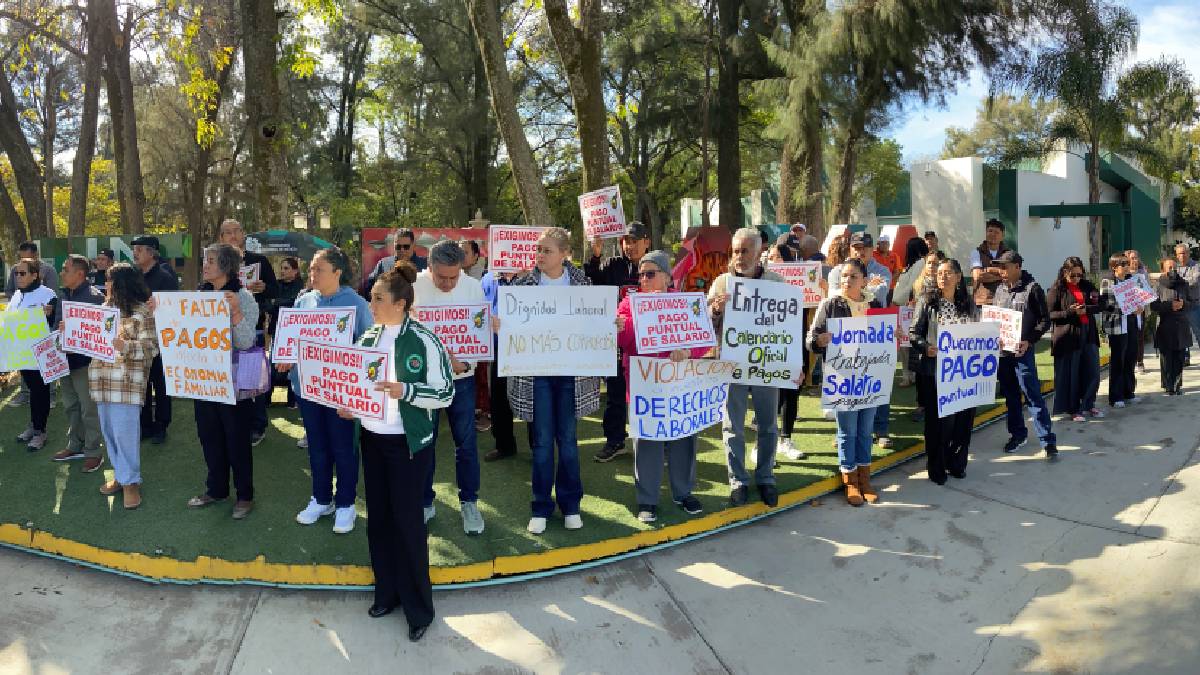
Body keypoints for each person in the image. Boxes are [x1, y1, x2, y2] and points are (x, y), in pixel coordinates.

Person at [352, 263, 452, 642]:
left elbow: (445, 392)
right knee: (378, 520)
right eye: (372, 297)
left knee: (408, 524)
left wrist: (405, 391)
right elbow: (358, 385)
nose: (371, 303)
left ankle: (418, 610)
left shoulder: (425, 340)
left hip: (408, 445)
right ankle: (387, 594)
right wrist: (350, 404)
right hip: (373, 440)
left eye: (378, 298)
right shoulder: (367, 338)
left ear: (401, 303)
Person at [502, 227, 601, 533]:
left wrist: (610, 323)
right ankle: (541, 506)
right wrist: (500, 323)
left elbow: (594, 324)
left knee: (569, 442)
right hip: (537, 375)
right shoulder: (522, 284)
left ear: (564, 254)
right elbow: (511, 324)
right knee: (542, 443)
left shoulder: (584, 284)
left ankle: (571, 505)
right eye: (538, 250)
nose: (540, 255)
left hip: (572, 374)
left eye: (546, 250)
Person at [616, 250, 712, 522]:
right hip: (645, 384)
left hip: (679, 382)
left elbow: (703, 339)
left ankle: (684, 493)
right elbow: (624, 340)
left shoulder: (686, 303)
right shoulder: (628, 304)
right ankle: (647, 500)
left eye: (650, 274)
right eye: (641, 275)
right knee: (647, 442)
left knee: (684, 438)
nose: (643, 279)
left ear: (667, 277)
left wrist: (688, 352)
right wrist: (624, 325)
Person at [285, 247, 373, 533]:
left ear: (337, 272)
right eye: (311, 269)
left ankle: (346, 503)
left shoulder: (357, 304)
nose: (312, 274)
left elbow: (370, 346)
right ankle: (321, 498)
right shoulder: (304, 301)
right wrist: (285, 357)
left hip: (341, 392)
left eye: (318, 269)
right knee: (318, 446)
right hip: (308, 389)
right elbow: (291, 339)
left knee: (344, 447)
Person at [412, 240, 486, 534]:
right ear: (428, 267)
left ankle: (469, 502)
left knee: (466, 444)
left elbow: (479, 341)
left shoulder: (473, 288)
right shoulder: (413, 286)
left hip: (462, 381)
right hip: (424, 382)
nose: (447, 283)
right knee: (424, 444)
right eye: (441, 277)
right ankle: (425, 502)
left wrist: (465, 366)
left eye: (453, 276)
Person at [708, 227, 785, 507]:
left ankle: (765, 477)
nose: (739, 257)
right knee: (733, 426)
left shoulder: (776, 282)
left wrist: (794, 363)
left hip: (766, 364)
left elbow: (786, 326)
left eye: (745, 251)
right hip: (732, 365)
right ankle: (737, 481)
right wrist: (715, 310)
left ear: (759, 251)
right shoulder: (721, 283)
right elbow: (705, 326)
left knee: (767, 425)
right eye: (736, 251)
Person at [184, 244, 259, 519]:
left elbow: (246, 341)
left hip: (233, 382)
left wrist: (236, 312)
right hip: (203, 380)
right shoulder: (198, 297)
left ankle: (244, 495)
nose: (205, 266)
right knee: (209, 436)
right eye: (205, 260)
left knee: (236, 439)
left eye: (211, 261)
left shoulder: (244, 297)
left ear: (226, 266)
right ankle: (216, 489)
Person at [807, 258, 885, 506]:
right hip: (843, 378)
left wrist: (892, 333)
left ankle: (865, 480)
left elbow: (884, 335)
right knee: (847, 430)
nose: (847, 280)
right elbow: (811, 338)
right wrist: (819, 341)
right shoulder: (830, 304)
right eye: (843, 276)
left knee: (865, 430)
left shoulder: (875, 302)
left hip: (870, 376)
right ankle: (850, 481)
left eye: (853, 276)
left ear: (863, 280)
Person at [90, 264, 158, 509]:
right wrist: (69, 333)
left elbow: (151, 348)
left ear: (121, 284)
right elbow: (89, 342)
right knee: (109, 433)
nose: (105, 285)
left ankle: (131, 484)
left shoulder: (143, 312)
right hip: (101, 381)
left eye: (109, 281)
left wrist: (124, 346)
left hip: (127, 385)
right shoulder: (103, 309)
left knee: (125, 435)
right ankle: (120, 476)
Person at [584, 220, 651, 462]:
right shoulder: (612, 265)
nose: (629, 246)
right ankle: (615, 441)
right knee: (615, 394)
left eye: (634, 241)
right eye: (625, 241)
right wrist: (595, 254)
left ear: (646, 242)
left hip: (647, 345)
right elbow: (590, 280)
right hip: (616, 342)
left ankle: (653, 442)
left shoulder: (654, 266)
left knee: (649, 394)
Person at [908, 259, 978, 485]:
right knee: (939, 424)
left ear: (958, 277)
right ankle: (936, 466)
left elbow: (977, 332)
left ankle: (957, 463)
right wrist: (925, 347)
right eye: (940, 273)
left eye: (948, 273)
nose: (943, 277)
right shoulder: (927, 301)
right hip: (935, 372)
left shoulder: (967, 303)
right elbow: (913, 333)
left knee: (962, 421)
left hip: (964, 372)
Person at [992, 251, 1058, 459]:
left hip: (1023, 353)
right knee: (1011, 397)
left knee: (1033, 396)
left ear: (1017, 267)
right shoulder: (1000, 290)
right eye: (999, 267)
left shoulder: (1033, 289)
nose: (1001, 271)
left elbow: (1044, 321)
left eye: (1005, 267)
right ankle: (1017, 435)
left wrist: (1029, 340)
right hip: (1003, 354)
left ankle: (1047, 440)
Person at [219, 219, 279, 446]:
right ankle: (235, 423)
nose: (232, 236)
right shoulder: (218, 263)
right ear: (221, 238)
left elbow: (275, 289)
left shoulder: (259, 260)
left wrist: (264, 288)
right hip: (221, 333)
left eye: (236, 231)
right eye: (227, 233)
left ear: (243, 233)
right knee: (230, 379)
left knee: (253, 378)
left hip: (253, 328)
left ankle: (258, 425)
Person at [53, 255, 105, 471]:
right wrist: (59, 334)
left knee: (88, 408)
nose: (62, 273)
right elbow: (56, 325)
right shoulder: (63, 294)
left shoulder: (95, 298)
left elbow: (102, 332)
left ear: (80, 274)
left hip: (85, 363)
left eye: (66, 269)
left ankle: (94, 451)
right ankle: (75, 445)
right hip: (64, 360)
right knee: (71, 406)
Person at [131, 235, 179, 444]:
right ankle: (145, 425)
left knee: (161, 385)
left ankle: (161, 426)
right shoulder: (133, 276)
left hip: (160, 340)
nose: (135, 253)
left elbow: (173, 308)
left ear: (152, 253)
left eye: (140, 249)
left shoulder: (166, 277)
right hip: (138, 338)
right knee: (142, 383)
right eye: (135, 249)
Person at [10, 259, 60, 451]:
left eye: (22, 273)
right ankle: (33, 426)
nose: (18, 277)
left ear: (35, 275)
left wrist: (49, 313)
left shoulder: (48, 295)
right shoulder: (16, 295)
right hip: (22, 353)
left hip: (41, 353)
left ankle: (41, 432)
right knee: (32, 390)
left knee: (40, 391)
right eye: (16, 273)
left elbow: (55, 321)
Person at [1047, 256, 1103, 422]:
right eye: (1074, 275)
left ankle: (1088, 403)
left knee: (1092, 370)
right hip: (1068, 336)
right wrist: (1071, 312)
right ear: (1065, 272)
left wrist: (1087, 309)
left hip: (1088, 333)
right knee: (1071, 374)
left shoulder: (1087, 285)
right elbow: (1049, 314)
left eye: (1080, 275)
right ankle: (1073, 409)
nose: (1077, 278)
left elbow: (1100, 304)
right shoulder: (1057, 288)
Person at [479, 268, 523, 462]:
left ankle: (538, 445)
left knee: (531, 398)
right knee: (499, 398)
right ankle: (504, 445)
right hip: (498, 349)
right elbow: (478, 309)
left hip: (529, 348)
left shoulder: (532, 276)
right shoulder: (488, 279)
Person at [1099, 254, 1141, 408]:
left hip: (1131, 322)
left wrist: (1140, 305)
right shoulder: (1107, 282)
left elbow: (1139, 298)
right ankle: (1115, 397)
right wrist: (1127, 307)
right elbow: (1106, 305)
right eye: (1122, 263)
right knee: (1118, 360)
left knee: (1130, 358)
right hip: (1117, 325)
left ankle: (1129, 392)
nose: (1126, 265)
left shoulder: (1132, 280)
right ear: (1114, 267)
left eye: (1126, 263)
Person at [892, 237, 931, 387]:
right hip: (902, 307)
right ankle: (907, 374)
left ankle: (912, 374)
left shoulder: (921, 263)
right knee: (904, 343)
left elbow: (913, 285)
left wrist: (899, 298)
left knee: (912, 342)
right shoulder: (910, 266)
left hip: (910, 306)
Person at [1153, 258, 1192, 395]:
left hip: (1181, 324)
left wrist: (1183, 304)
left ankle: (1177, 384)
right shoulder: (1158, 285)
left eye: (1174, 267)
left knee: (1179, 356)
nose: (1172, 270)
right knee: (1167, 357)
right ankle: (1168, 385)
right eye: (1169, 267)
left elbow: (1191, 302)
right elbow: (1154, 305)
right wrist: (1170, 306)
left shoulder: (1184, 283)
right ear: (1163, 270)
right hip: (1165, 324)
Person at [365, 228, 428, 294]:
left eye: (406, 246)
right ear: (394, 245)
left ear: (413, 245)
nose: (402, 250)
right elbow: (370, 288)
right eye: (398, 246)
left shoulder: (425, 265)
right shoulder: (384, 264)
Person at [970, 219, 1011, 304]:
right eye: (990, 231)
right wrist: (1001, 274)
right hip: (982, 301)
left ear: (1002, 236)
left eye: (996, 232)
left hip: (1004, 301)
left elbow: (1011, 275)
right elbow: (978, 276)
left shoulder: (1009, 254)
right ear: (986, 233)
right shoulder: (976, 252)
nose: (993, 234)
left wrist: (988, 271)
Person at [1172, 243, 1200, 365]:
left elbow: (1194, 280)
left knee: (1198, 332)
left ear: (1188, 253)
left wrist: (1179, 281)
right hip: (1180, 305)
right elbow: (1170, 281)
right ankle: (1185, 357)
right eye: (1179, 254)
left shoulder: (1196, 266)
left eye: (1184, 253)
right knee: (1182, 333)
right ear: (1176, 255)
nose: (1182, 256)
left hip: (1194, 305)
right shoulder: (1175, 267)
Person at [1125, 249, 1149, 374]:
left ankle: (1140, 362)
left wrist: (1143, 305)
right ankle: (1130, 361)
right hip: (1128, 310)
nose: (1134, 260)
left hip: (1140, 308)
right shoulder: (1124, 272)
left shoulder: (1142, 272)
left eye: (1136, 257)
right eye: (1132, 258)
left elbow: (1147, 290)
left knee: (1139, 336)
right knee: (1129, 336)